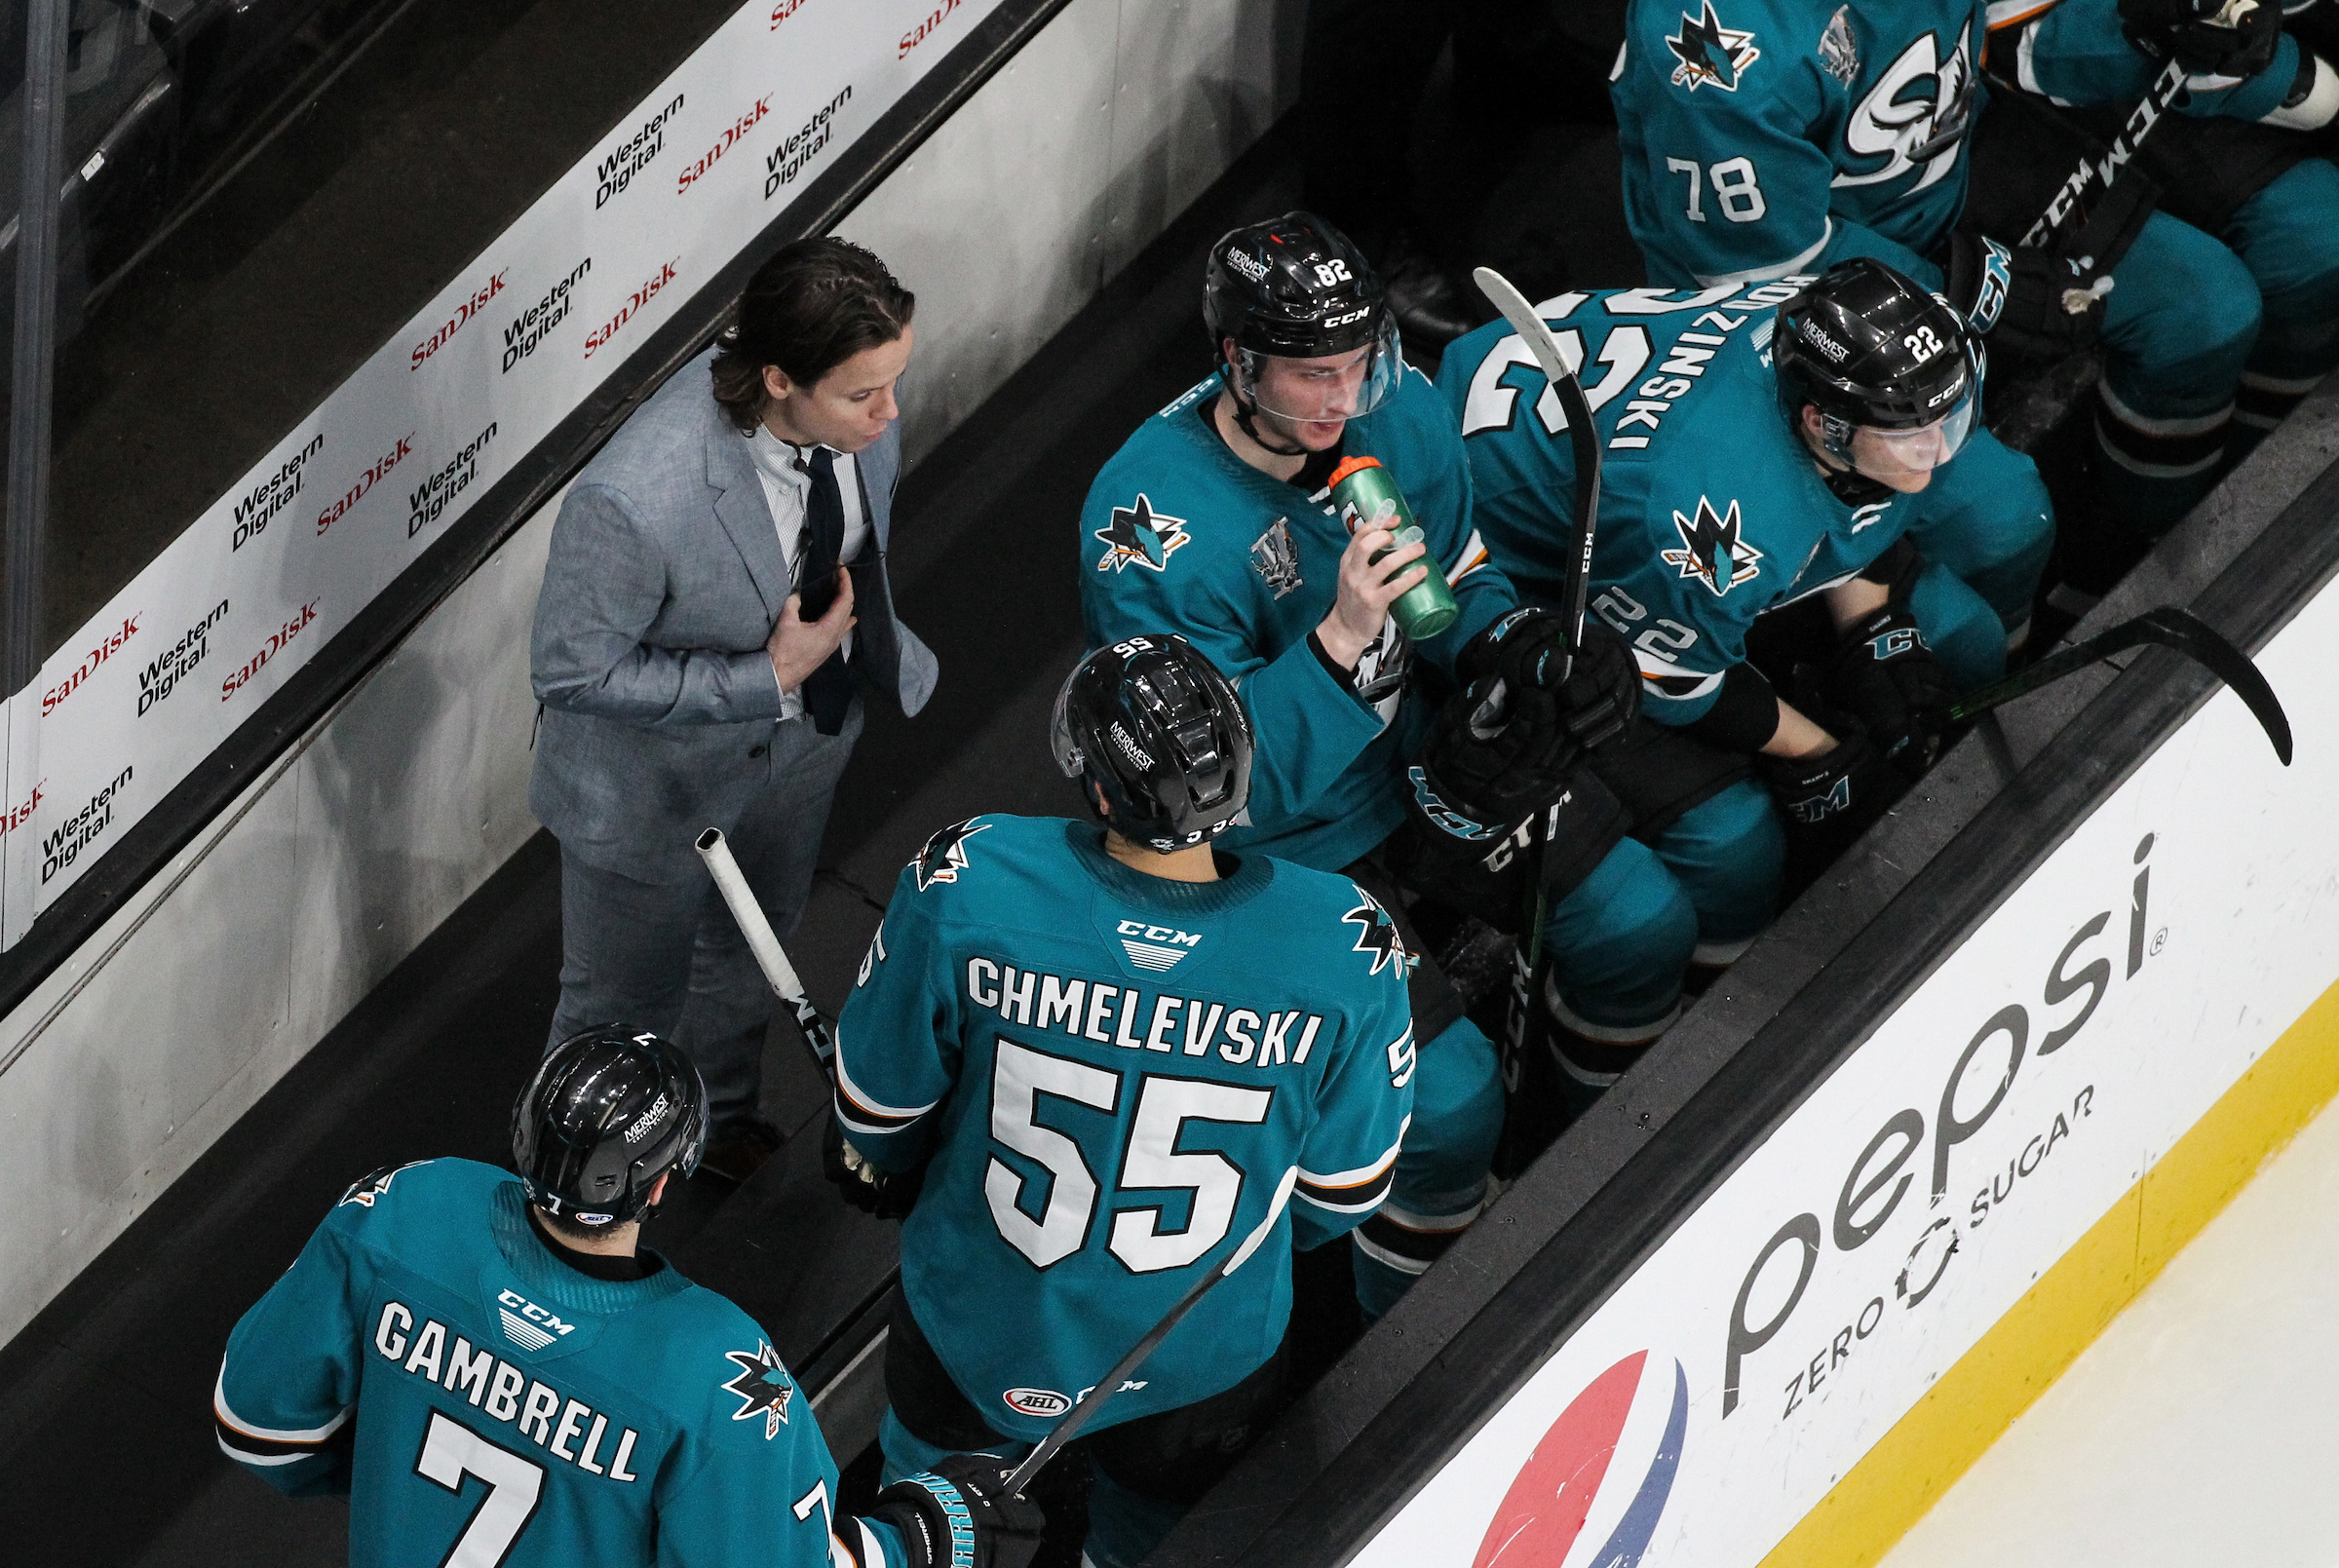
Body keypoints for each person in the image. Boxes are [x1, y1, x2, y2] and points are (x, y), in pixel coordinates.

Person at [1078, 210, 1685, 1309]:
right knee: (1446, 1107)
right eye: (1313, 374)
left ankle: (1624, 1182)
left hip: (1419, 758)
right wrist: (1340, 639)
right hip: (1285, 843)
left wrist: (1515, 645)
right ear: (1236, 361)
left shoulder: (1397, 407)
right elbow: (1219, 792)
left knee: (1640, 923)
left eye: (1358, 362)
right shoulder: (1147, 525)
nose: (1343, 397)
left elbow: (1459, 577)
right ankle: (1427, 1334)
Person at [824, 635, 1414, 1568]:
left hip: (981, 1332)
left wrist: (889, 1161)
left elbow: (876, 1117)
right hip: (1201, 1359)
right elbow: (1340, 1197)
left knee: (930, 1538)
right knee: (1158, 1546)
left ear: (1100, 792)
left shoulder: (972, 877)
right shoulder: (1347, 945)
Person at [1434, 262, 2027, 1104]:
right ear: (1822, 426)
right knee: (1731, 846)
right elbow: (1670, 678)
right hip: (1524, 562)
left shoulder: (1867, 361)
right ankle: (1665, 1089)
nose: (1938, 450)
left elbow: (1851, 507)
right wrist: (1817, 748)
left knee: (1963, 629)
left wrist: (1870, 625)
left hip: (1631, 467)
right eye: (1910, 437)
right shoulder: (1707, 510)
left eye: (1948, 421)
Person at [213, 1027, 1042, 1568]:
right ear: (664, 1183)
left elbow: (257, 1425)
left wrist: (405, 1469)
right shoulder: (723, 1379)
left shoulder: (403, 1208)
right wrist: (925, 1533)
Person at [1608, 0, 2261, 624]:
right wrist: (1969, 284)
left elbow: (2026, 31)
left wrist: (2145, 32)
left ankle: (2146, 564)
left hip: (1948, 180)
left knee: (2206, 310)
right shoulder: (1715, 43)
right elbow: (1762, 267)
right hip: (1784, 304)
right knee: (2001, 525)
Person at [530, 237, 936, 1184]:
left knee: (753, 948)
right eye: (863, 395)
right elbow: (571, 673)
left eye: (894, 383)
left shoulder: (861, 419)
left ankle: (716, 1125)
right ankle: (566, 1197)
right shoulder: (636, 498)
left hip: (800, 749)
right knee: (614, 1013)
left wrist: (807, 686)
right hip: (651, 793)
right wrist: (766, 675)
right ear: (779, 379)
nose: (890, 414)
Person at [1988, 0, 2339, 590]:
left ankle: (2261, 479)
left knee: (2321, 241)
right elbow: (2011, 42)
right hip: (2054, 100)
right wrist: (2153, 37)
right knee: (2201, 313)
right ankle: (2149, 541)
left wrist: (2279, 69)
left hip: (2214, 80)